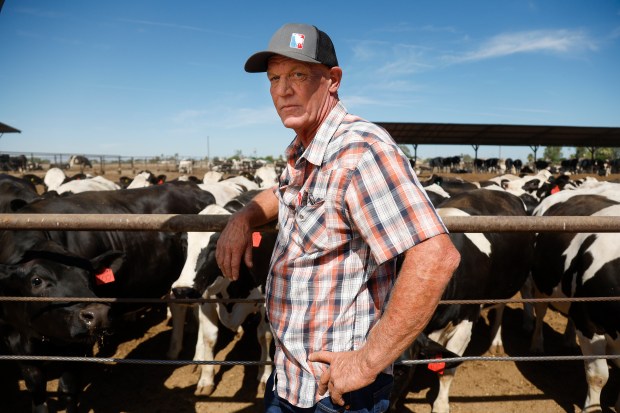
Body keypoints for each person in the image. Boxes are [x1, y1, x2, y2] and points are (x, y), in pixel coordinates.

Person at [215, 23, 460, 412]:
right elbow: (284, 194)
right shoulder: (304, 149)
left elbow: (436, 255)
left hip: (337, 390)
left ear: (333, 80)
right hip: (289, 374)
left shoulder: (361, 149)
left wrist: (366, 363)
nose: (282, 90)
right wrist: (244, 216)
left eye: (298, 74)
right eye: (274, 78)